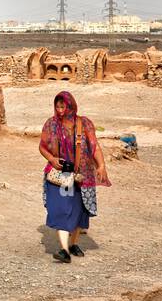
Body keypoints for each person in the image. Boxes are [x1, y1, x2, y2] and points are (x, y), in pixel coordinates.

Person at [38, 90, 109, 263]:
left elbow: (94, 146)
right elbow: (42, 147)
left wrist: (101, 165)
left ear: (71, 106)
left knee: (77, 211)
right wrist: (52, 159)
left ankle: (73, 243)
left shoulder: (84, 124)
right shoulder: (51, 124)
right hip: (60, 175)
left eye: (63, 106)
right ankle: (64, 250)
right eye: (57, 106)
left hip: (80, 176)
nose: (60, 110)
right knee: (61, 209)